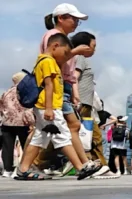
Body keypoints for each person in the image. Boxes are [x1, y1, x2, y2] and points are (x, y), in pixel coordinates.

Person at [15, 34, 96, 180]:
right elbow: (49, 85)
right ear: (55, 46)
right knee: (63, 136)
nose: (66, 57)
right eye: (65, 53)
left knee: (40, 138)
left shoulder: (44, 61)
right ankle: (80, 167)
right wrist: (49, 108)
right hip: (50, 106)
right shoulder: (48, 62)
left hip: (45, 106)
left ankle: (23, 169)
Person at [71, 31, 111, 178]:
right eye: (93, 46)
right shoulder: (80, 58)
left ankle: (102, 165)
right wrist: (77, 98)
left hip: (86, 103)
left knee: (92, 135)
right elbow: (74, 78)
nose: (94, 49)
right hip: (82, 102)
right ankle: (100, 165)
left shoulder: (77, 58)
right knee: (90, 135)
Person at [0, 72, 34, 177]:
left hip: (6, 122)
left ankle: (7, 170)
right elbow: (27, 109)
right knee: (26, 145)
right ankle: (26, 167)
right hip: (22, 122)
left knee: (7, 147)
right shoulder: (24, 91)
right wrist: (32, 122)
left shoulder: (6, 92)